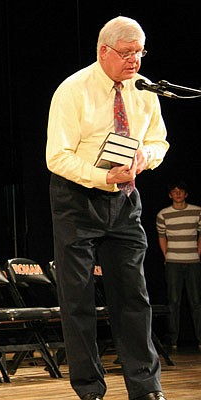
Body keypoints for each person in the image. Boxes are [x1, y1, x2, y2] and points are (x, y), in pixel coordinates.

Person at [46, 16, 170, 400]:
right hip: (77, 200)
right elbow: (57, 156)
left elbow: (159, 142)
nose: (135, 60)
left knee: (134, 295)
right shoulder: (73, 90)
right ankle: (89, 389)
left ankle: (146, 387)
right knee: (78, 300)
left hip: (125, 201)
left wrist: (143, 158)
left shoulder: (143, 89)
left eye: (140, 52)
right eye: (127, 52)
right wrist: (102, 178)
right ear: (104, 51)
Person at [156, 181, 201, 349]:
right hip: (173, 261)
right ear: (170, 195)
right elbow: (161, 236)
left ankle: (200, 339)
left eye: (181, 191)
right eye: (174, 191)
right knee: (173, 301)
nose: (178, 194)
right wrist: (167, 255)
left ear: (186, 194)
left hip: (193, 261)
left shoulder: (197, 211)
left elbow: (200, 234)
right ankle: (173, 340)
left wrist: (198, 252)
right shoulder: (163, 214)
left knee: (196, 302)